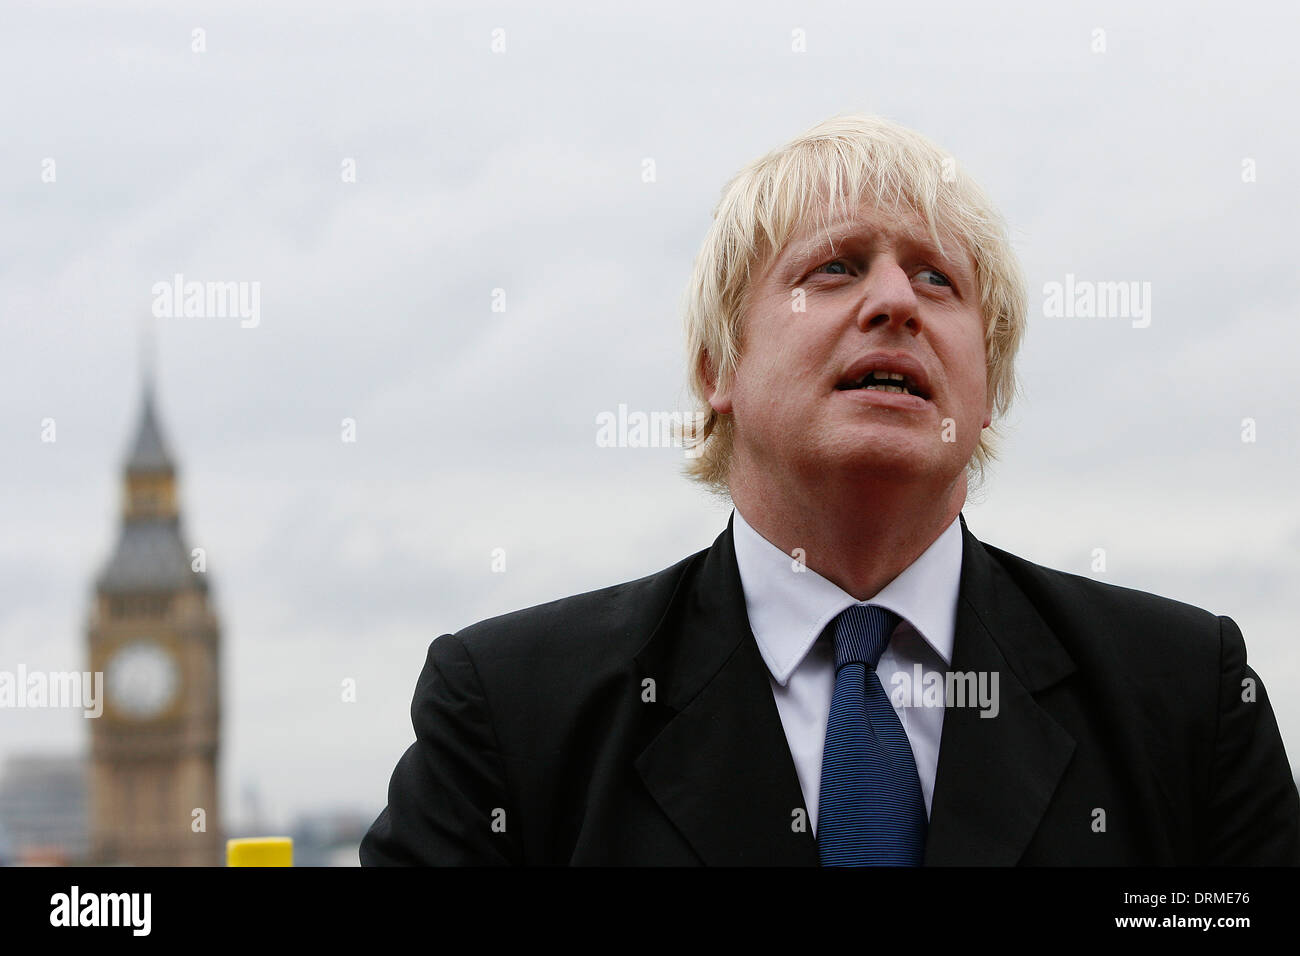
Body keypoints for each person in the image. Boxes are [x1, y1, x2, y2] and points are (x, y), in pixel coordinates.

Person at [360, 114, 1300, 865]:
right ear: (715, 371)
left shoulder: (1183, 699)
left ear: (987, 390)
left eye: (938, 279)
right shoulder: (515, 712)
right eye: (836, 267)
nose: (894, 302)